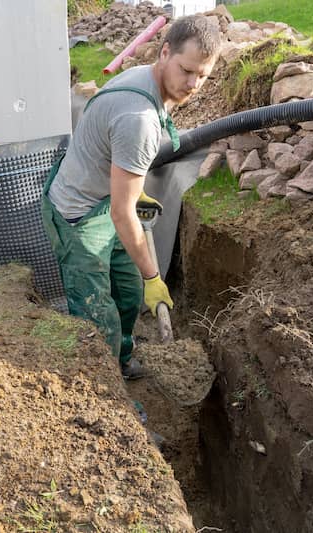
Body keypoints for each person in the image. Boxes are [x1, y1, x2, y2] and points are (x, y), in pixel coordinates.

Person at [42, 15, 220, 379]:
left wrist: (134, 193)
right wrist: (155, 277)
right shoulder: (137, 119)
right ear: (165, 52)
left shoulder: (151, 80)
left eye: (203, 75)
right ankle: (105, 393)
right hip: (78, 214)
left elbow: (118, 179)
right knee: (97, 319)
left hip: (107, 198)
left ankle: (120, 362)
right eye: (186, 70)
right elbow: (124, 215)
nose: (193, 84)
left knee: (126, 292)